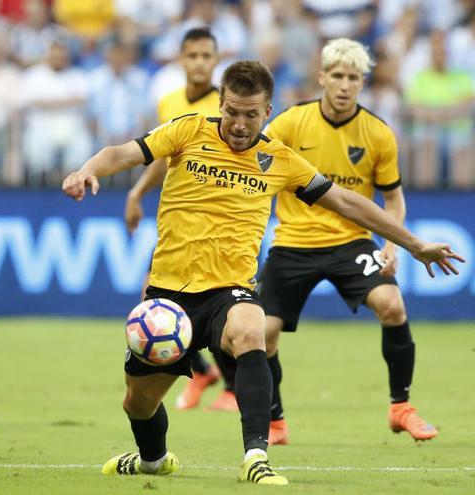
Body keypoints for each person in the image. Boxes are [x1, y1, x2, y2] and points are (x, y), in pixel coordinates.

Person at [62, 60, 463, 485]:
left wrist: (414, 244)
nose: (239, 124)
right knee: (137, 404)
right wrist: (88, 168)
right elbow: (121, 153)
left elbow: (346, 202)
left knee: (251, 331)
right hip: (168, 296)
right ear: (221, 103)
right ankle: (152, 460)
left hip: (228, 291)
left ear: (267, 112)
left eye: (251, 115)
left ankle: (256, 455)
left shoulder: (278, 159)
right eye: (232, 112)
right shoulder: (187, 130)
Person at [259, 38, 449, 446]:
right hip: (293, 242)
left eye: (354, 78)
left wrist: (392, 248)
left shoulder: (378, 133)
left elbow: (393, 198)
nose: (345, 85)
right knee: (262, 334)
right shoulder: (290, 124)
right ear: (322, 77)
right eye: (338, 76)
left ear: (362, 82)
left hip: (351, 243)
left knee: (392, 306)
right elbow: (256, 169)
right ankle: (275, 422)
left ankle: (401, 408)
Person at [124, 28, 237, 413]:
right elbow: (161, 157)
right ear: (181, 59)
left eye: (207, 56)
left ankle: (230, 385)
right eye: (193, 56)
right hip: (180, 220)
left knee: (211, 298)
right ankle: (204, 372)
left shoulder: (226, 107)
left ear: (216, 60)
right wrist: (137, 193)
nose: (200, 63)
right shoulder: (170, 102)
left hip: (218, 222)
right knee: (153, 296)